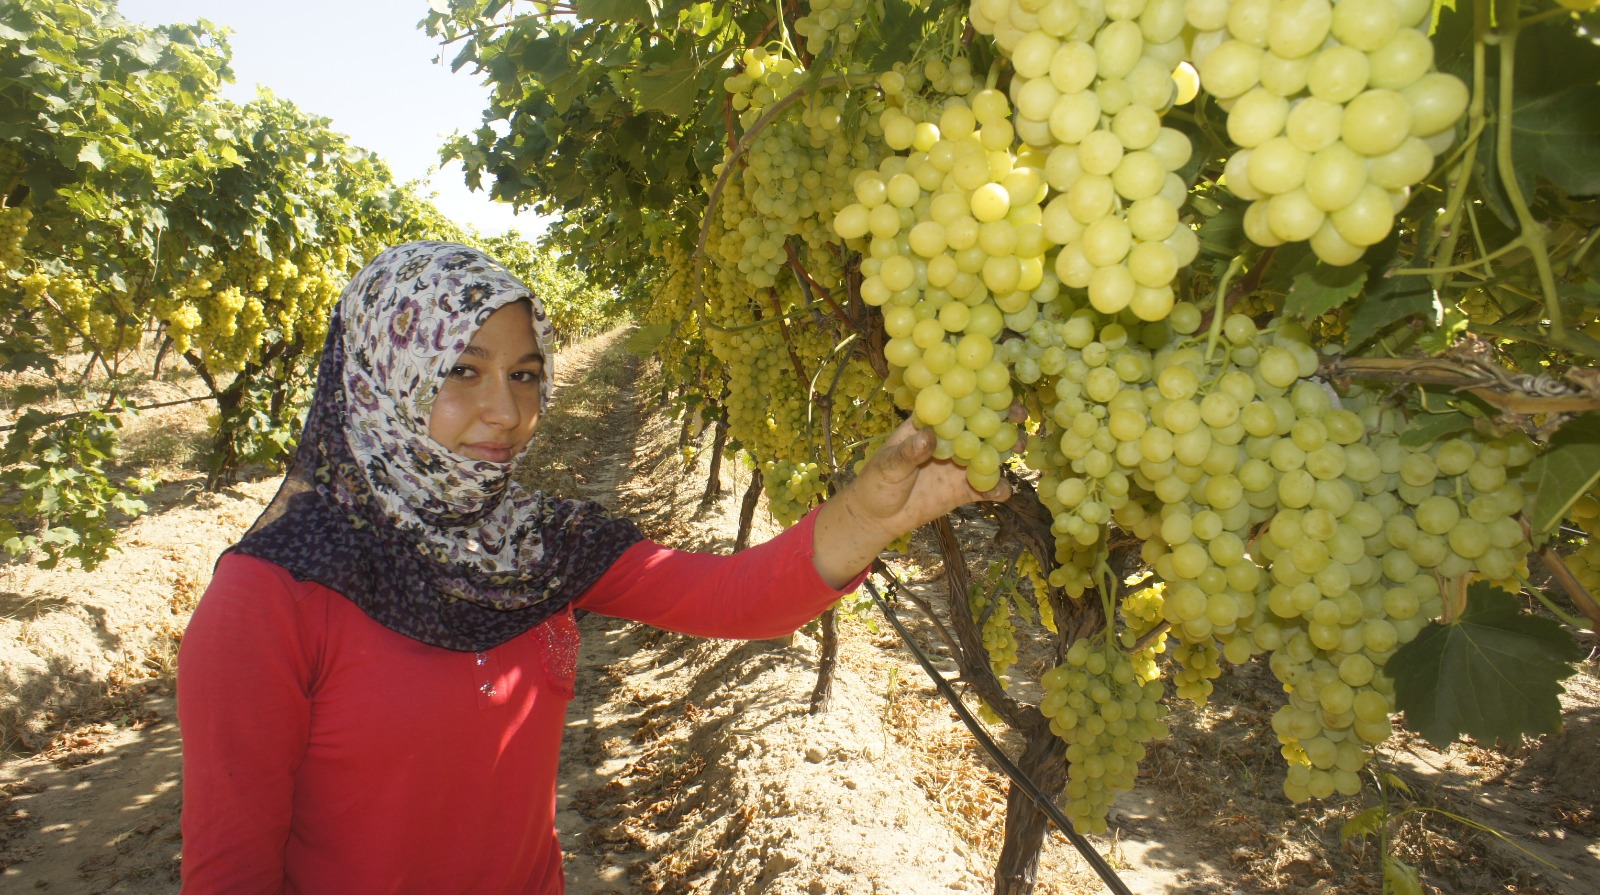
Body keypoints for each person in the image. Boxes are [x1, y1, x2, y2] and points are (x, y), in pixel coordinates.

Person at [176, 241, 1010, 894]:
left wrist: (867, 516)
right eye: (461, 371)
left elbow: (730, 598)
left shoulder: (537, 544)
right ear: (379, 376)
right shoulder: (271, 597)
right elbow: (229, 874)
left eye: (526, 374)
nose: (506, 410)